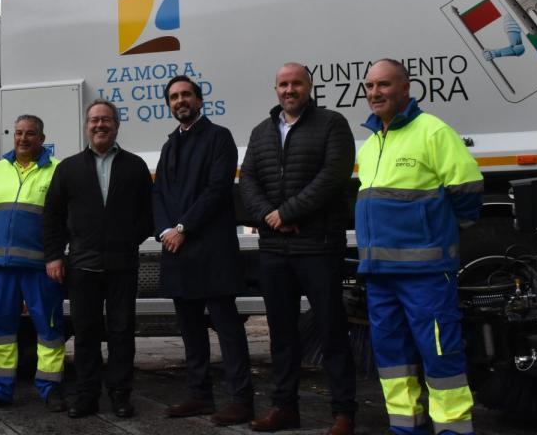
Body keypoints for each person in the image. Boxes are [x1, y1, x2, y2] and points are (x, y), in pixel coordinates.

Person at [356, 59, 482, 435]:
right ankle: (406, 428)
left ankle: (452, 430)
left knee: (441, 357)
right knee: (392, 360)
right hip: (380, 275)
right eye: (370, 86)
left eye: (384, 85)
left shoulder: (433, 131)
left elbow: (468, 192)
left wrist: (436, 232)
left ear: (405, 89)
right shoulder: (372, 141)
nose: (375, 93)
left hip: (426, 274)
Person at [239, 63, 357, 435]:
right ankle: (284, 408)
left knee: (331, 329)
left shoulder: (332, 124)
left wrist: (288, 212)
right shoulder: (261, 132)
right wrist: (269, 217)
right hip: (275, 249)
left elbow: (333, 175)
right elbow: (249, 180)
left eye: (296, 83)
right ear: (275, 89)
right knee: (282, 333)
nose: (289, 90)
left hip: (319, 246)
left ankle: (344, 412)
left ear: (309, 86)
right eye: (283, 84)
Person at [43, 99, 154, 419]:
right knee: (86, 332)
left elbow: (148, 215)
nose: (100, 125)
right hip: (82, 266)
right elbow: (52, 216)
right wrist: (53, 256)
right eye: (94, 120)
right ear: (86, 126)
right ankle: (87, 395)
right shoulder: (69, 168)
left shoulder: (134, 167)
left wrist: (127, 240)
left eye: (106, 120)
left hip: (123, 265)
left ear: (116, 125)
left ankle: (120, 394)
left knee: (122, 331)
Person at [153, 75, 254, 426]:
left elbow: (216, 190)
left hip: (211, 251)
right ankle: (200, 395)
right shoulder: (169, 145)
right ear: (169, 104)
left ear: (199, 99)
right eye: (174, 97)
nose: (180, 101)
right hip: (179, 252)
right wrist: (166, 229)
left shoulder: (219, 138)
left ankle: (241, 400)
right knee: (190, 329)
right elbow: (160, 193)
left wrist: (182, 228)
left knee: (228, 329)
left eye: (186, 95)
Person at [0, 115, 66, 412]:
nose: (23, 139)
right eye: (18, 133)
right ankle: (0, 390)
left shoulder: (57, 171)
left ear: (42, 138)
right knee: (1, 332)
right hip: (1, 267)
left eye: (30, 134)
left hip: (40, 267)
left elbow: (65, 220)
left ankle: (50, 388)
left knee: (49, 330)